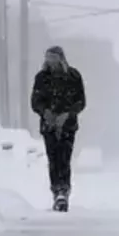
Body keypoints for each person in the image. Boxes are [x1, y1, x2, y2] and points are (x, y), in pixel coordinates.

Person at [30, 46, 86, 210]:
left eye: (53, 57)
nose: (50, 61)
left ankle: (64, 190)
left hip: (68, 126)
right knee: (53, 159)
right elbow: (35, 101)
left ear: (61, 58)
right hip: (49, 125)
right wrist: (46, 112)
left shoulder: (73, 76)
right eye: (48, 58)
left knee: (65, 158)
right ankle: (56, 190)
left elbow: (81, 101)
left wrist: (67, 114)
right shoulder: (41, 78)